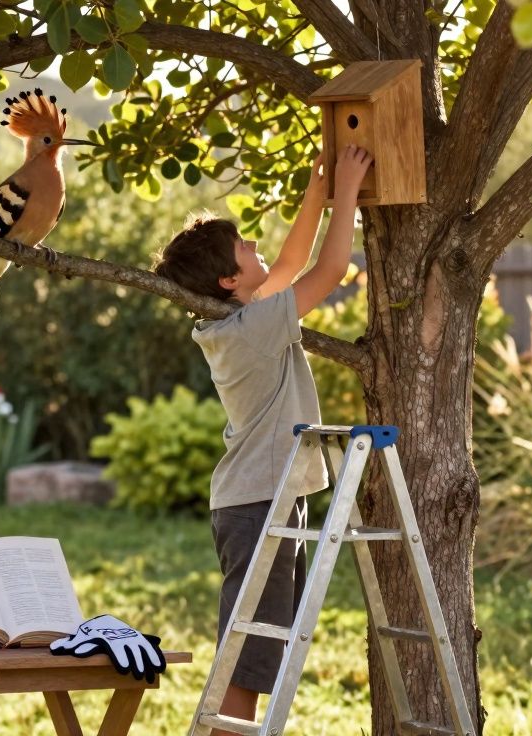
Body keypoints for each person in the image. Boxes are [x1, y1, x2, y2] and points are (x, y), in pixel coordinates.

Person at [152, 145, 373, 728]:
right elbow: (325, 270)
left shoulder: (237, 320)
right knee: (247, 667)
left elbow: (291, 260)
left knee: (256, 655)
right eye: (245, 246)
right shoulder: (251, 329)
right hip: (258, 504)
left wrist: (317, 190)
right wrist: (346, 192)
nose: (257, 248)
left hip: (264, 500)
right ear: (229, 279)